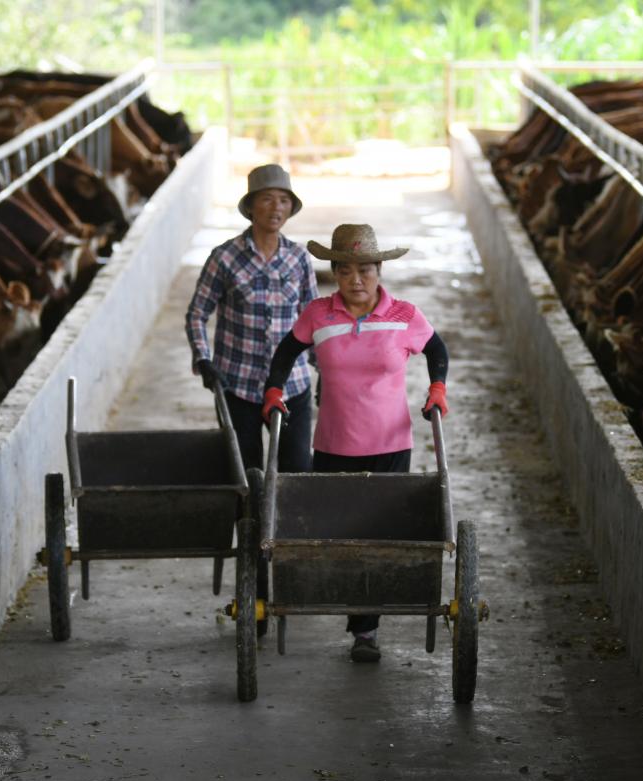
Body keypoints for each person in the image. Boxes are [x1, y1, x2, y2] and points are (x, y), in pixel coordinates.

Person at [261, 223, 450, 664]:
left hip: (389, 444)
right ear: (335, 273)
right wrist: (274, 389)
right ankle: (355, 614)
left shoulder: (404, 315)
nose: (357, 280)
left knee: (377, 534)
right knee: (341, 536)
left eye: (365, 270)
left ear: (380, 270)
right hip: (332, 445)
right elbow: (286, 353)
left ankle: (365, 631)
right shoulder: (318, 316)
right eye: (345, 271)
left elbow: (437, 350)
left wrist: (437, 387)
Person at [185, 164, 317, 473]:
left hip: (291, 386)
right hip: (238, 385)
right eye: (268, 199)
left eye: (284, 200)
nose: (276, 208)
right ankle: (249, 523)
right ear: (251, 206)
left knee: (298, 471)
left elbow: (312, 320)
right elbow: (196, 313)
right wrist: (204, 360)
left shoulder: (298, 258)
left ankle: (287, 524)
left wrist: (324, 368)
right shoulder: (225, 257)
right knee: (245, 475)